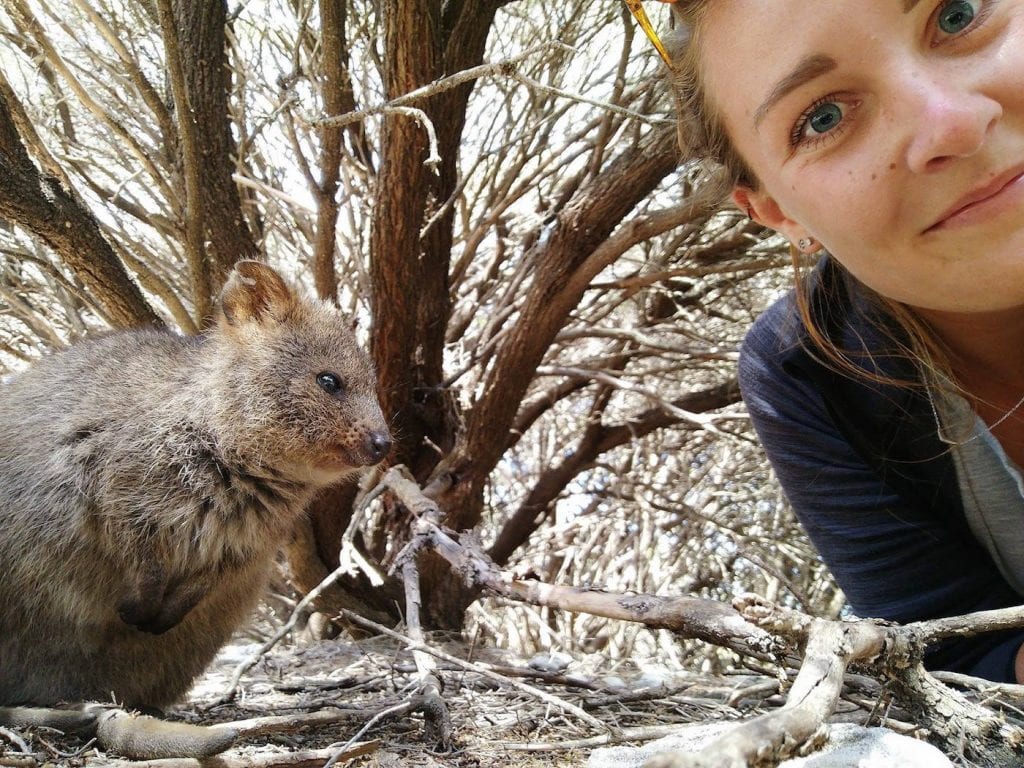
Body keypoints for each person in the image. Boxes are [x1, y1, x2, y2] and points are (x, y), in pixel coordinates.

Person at [658, 0, 1024, 682]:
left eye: (956, 16)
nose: (952, 123)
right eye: (822, 117)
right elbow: (954, 656)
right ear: (777, 212)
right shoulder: (804, 371)